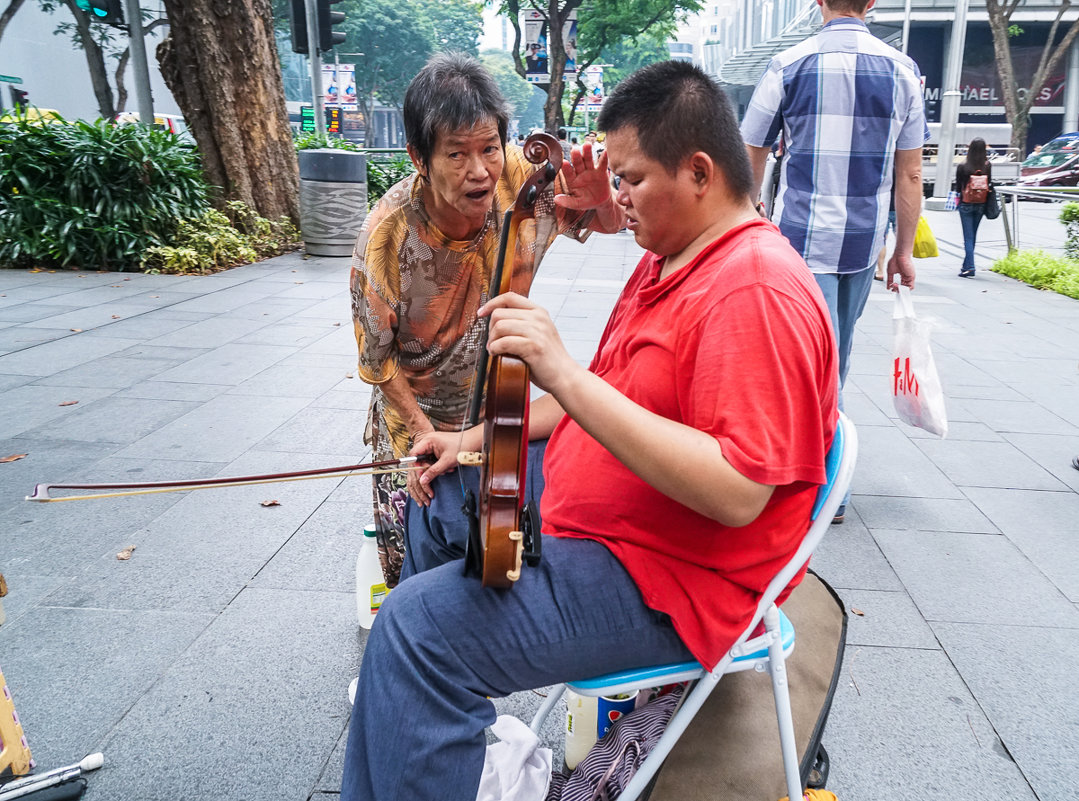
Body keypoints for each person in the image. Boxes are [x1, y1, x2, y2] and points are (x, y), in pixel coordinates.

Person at [340, 60, 838, 801]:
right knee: (440, 496)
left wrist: (562, 372)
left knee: (416, 630)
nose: (617, 203)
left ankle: (420, 696)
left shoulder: (754, 290)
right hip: (611, 516)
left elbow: (739, 491)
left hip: (670, 576)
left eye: (630, 181)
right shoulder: (673, 251)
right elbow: (602, 400)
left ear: (698, 172)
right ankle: (424, 723)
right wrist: (469, 439)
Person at [350, 53, 623, 587]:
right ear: (419, 157)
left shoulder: (524, 180)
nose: (479, 170)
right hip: (417, 414)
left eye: (489, 148)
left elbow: (608, 222)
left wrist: (604, 202)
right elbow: (378, 364)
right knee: (414, 566)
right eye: (456, 154)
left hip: (498, 405)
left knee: (497, 555)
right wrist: (425, 439)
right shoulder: (385, 235)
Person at [741, 0, 927, 523]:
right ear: (871, 4)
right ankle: (826, 485)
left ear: (818, 2)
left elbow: (750, 148)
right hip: (865, 244)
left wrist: (750, 212)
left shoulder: (788, 65)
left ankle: (816, 487)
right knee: (835, 360)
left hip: (800, 240)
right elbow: (910, 173)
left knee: (805, 365)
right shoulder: (903, 71)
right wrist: (904, 251)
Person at [955, 136, 992, 278]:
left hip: (966, 204)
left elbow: (958, 186)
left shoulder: (963, 166)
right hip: (981, 204)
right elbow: (990, 183)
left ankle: (970, 267)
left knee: (968, 237)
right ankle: (966, 265)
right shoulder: (987, 165)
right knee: (973, 237)